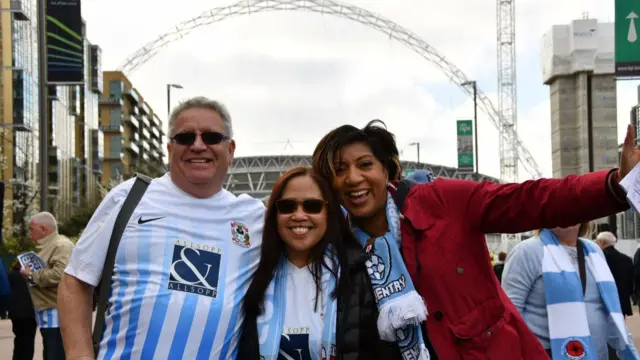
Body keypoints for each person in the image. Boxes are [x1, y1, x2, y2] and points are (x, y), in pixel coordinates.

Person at [311, 119, 636, 360]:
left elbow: (531, 200)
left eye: (365, 164)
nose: (353, 178)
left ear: (387, 170)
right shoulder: (330, 245)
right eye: (339, 170)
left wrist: (615, 185)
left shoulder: (442, 201)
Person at [57, 97, 265, 359]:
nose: (198, 146)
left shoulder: (254, 218)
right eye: (185, 137)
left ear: (230, 149)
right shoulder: (129, 198)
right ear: (169, 148)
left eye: (212, 137)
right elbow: (75, 281)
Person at [238, 167, 405, 359]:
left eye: (312, 206)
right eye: (287, 206)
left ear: (329, 213)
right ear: (274, 214)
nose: (299, 215)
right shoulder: (250, 272)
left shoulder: (359, 275)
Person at [502, 224, 638, 359]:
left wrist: (628, 349)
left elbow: (609, 310)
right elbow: (510, 313)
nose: (565, 213)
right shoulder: (527, 251)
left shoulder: (594, 250)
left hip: (597, 353)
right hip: (548, 353)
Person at [22, 211, 74, 360]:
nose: (29, 232)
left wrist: (31, 275)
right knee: (50, 351)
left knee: (55, 352)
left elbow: (59, 274)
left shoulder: (61, 245)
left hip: (55, 311)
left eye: (32, 229)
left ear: (43, 229)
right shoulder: (50, 246)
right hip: (47, 310)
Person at [7, 260, 37, 360]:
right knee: (28, 341)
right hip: (29, 312)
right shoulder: (29, 276)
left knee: (19, 339)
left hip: (15, 313)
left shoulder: (10, 275)